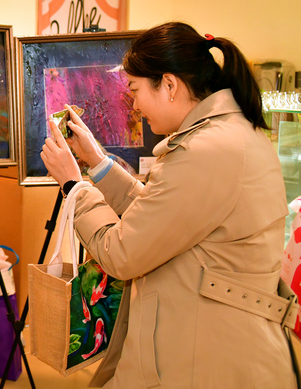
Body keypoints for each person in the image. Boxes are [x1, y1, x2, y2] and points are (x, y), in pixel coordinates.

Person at [40, 22, 296, 388]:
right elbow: (161, 213)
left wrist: (74, 186)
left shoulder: (206, 151)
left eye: (136, 90)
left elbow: (123, 252)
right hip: (215, 342)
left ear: (170, 85)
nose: (135, 104)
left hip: (208, 356)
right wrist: (97, 162)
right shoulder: (230, 135)